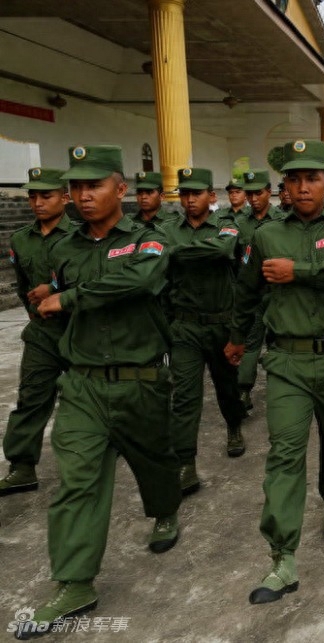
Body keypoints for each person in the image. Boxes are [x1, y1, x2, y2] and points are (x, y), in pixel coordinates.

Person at [24, 145, 182, 628]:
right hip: (84, 385)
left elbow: (136, 282)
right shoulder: (65, 247)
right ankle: (74, 583)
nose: (83, 195)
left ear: (121, 188)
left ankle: (165, 511)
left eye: (93, 185)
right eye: (76, 187)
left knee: (154, 463)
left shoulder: (150, 241)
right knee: (77, 482)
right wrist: (49, 298)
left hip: (142, 380)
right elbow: (50, 295)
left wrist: (66, 297)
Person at [225, 140, 324, 604]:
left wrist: (301, 271)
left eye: (313, 178)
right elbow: (248, 292)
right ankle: (281, 556)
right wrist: (237, 338)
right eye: (295, 179)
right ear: (283, 188)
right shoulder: (265, 235)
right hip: (287, 360)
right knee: (284, 453)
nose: (304, 186)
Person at [161, 167, 246, 498]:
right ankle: (186, 463)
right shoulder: (169, 228)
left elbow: (224, 251)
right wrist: (199, 251)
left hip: (221, 323)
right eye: (184, 194)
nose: (189, 199)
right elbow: (162, 264)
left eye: (196, 193)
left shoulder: (227, 224)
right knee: (184, 397)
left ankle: (234, 426)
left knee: (227, 387)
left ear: (211, 196)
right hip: (184, 327)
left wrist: (177, 252)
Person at [1, 168, 74, 496]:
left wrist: (55, 289)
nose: (38, 202)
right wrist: (35, 310)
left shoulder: (82, 236)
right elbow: (23, 285)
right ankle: (22, 466)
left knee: (86, 398)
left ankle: (97, 452)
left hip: (79, 330)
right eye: (33, 196)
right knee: (31, 397)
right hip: (42, 333)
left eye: (47, 195)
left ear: (64, 197)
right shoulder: (19, 239)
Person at [234, 169, 286, 412]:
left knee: (278, 344)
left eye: (258, 193)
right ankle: (244, 390)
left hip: (277, 293)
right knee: (251, 343)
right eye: (249, 194)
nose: (253, 199)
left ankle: (282, 391)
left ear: (269, 192)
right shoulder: (238, 223)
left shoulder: (282, 220)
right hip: (252, 293)